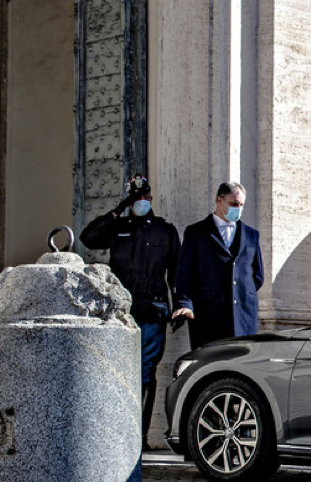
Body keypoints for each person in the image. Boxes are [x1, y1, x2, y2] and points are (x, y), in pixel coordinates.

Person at [80, 175, 180, 452]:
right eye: (136, 199)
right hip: (120, 313)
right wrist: (118, 210)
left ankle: (139, 436)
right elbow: (88, 238)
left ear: (151, 199)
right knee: (116, 370)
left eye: (145, 198)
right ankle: (116, 433)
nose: (141, 203)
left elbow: (176, 271)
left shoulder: (164, 231)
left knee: (146, 370)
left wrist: (180, 305)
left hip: (151, 310)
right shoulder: (119, 227)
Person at [172, 182, 264, 350]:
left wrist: (242, 294)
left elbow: (258, 276)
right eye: (233, 204)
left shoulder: (252, 235)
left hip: (243, 316)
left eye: (241, 205)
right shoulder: (196, 232)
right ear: (219, 201)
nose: (238, 208)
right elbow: (184, 273)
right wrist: (184, 303)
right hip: (208, 316)